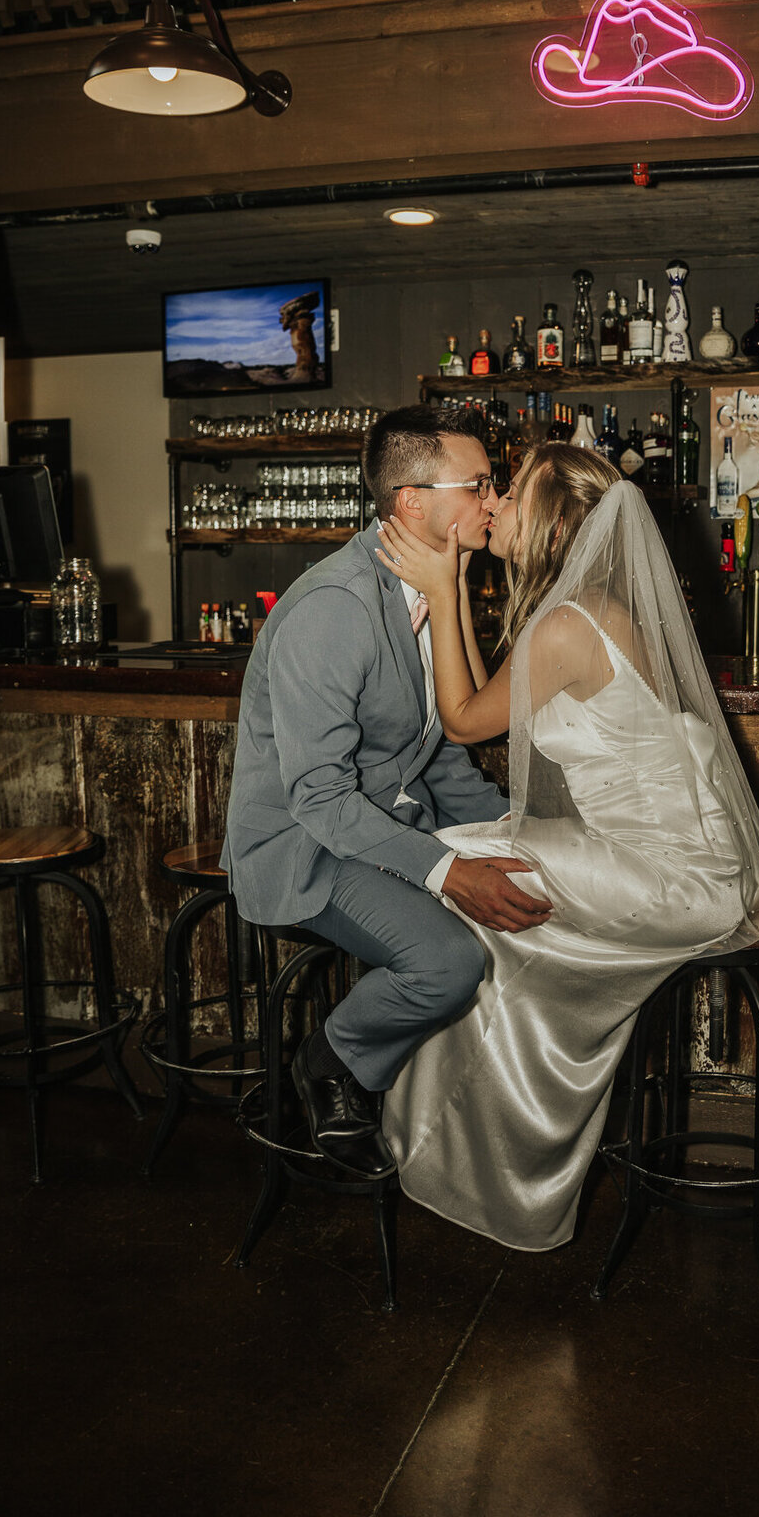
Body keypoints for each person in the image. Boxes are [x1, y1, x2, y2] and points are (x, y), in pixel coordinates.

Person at [375, 442, 759, 1251]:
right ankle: (450, 1135)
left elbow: (466, 720)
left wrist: (443, 584)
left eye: (511, 493)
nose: (492, 503)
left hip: (673, 876)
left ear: (551, 522)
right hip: (662, 856)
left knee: (456, 866)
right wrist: (455, 583)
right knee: (466, 867)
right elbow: (480, 698)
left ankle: (470, 1153)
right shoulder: (581, 609)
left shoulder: (572, 623)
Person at [220, 406, 552, 1182]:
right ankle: (329, 1062)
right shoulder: (334, 608)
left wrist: (512, 831)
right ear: (411, 502)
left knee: (538, 886)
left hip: (379, 831)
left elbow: (430, 758)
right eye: (477, 484)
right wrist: (447, 870)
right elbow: (321, 800)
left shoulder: (435, 587)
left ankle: (480, 1123)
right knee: (446, 965)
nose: (494, 500)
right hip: (304, 850)